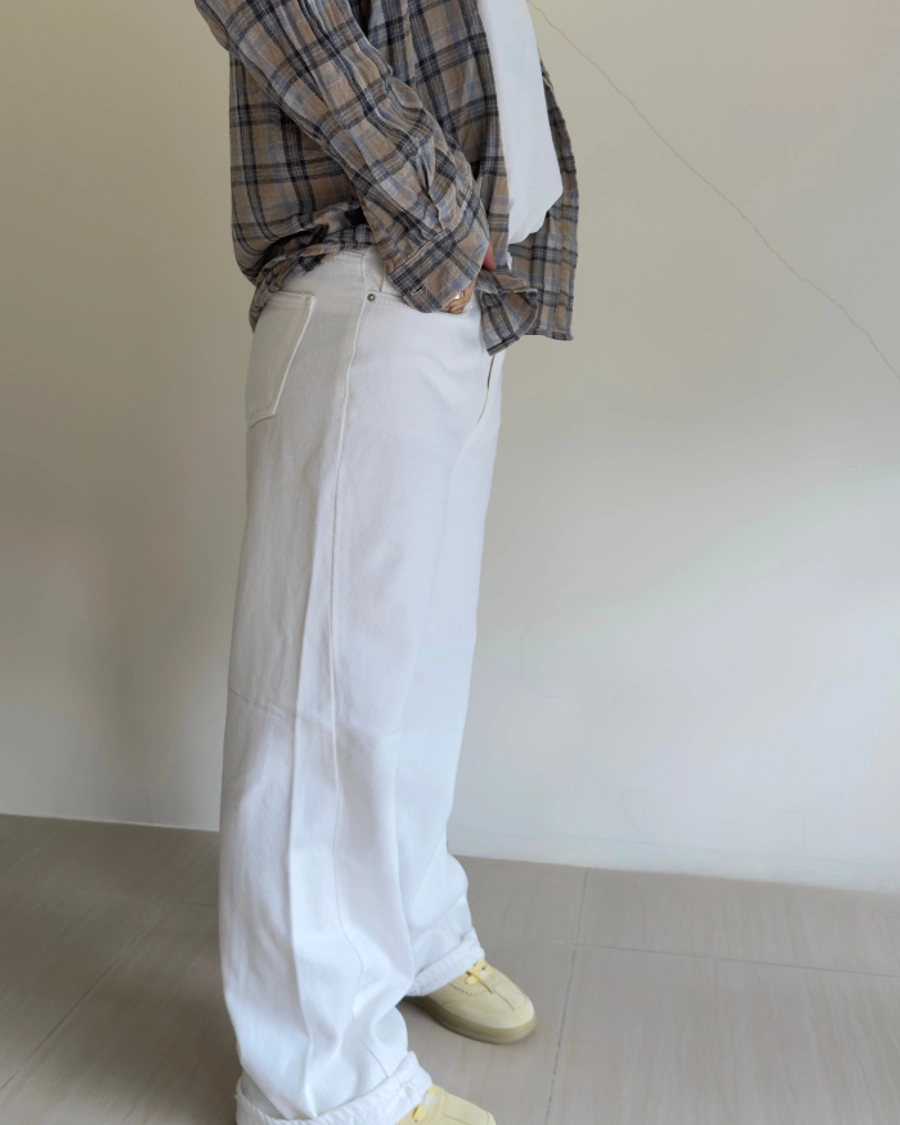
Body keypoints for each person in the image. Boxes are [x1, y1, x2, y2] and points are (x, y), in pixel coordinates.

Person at [191, 1, 578, 1123]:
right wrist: (438, 203)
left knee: (417, 676)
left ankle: (411, 925)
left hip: (450, 293)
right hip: (373, 269)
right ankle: (319, 1079)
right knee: (321, 707)